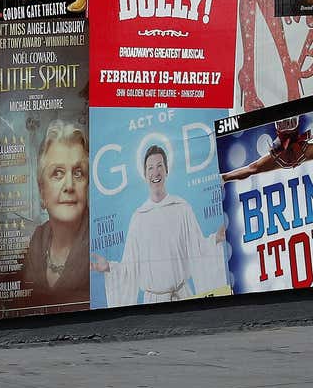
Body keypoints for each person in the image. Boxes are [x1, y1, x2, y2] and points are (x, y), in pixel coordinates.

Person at [91, 145, 228, 305]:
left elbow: (199, 249)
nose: (155, 172)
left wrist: (216, 239)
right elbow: (130, 267)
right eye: (150, 168)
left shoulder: (182, 208)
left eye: (159, 166)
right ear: (145, 174)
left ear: (166, 171)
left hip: (183, 295)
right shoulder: (139, 218)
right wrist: (108, 267)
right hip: (154, 301)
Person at [20, 121, 90, 303]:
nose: (69, 186)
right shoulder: (37, 240)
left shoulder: (100, 246)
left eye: (78, 173)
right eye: (57, 173)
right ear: (42, 191)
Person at [222, 117, 313, 181]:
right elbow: (252, 169)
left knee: (253, 168)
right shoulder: (287, 149)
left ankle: (224, 178)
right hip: (291, 150)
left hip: (292, 149)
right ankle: (224, 178)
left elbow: (252, 169)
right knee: (253, 168)